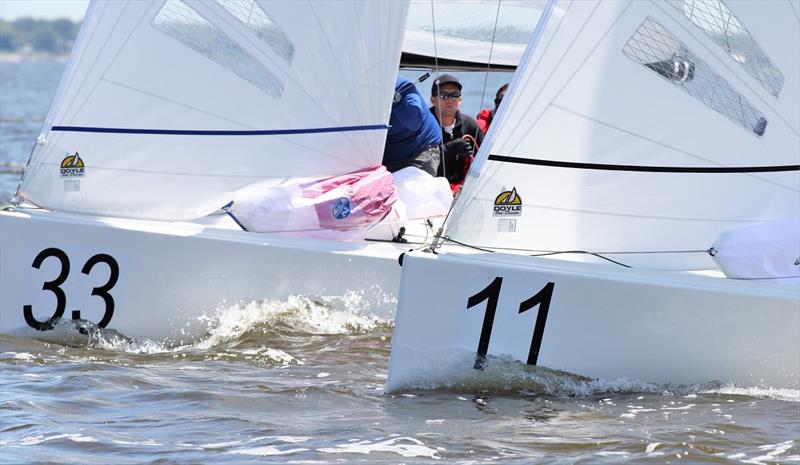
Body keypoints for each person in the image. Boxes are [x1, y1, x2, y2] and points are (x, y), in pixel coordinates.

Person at [429, 74, 485, 186]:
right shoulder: (423, 125)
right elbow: (414, 160)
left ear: (460, 100)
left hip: (461, 192)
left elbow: (486, 159)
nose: (450, 100)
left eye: (455, 95)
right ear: (433, 100)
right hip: (429, 188)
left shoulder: (470, 125)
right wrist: (448, 149)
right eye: (444, 95)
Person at [382, 76, 442, 177]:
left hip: (420, 151)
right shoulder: (354, 92)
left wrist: (396, 99)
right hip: (385, 157)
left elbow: (414, 121)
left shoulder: (402, 86)